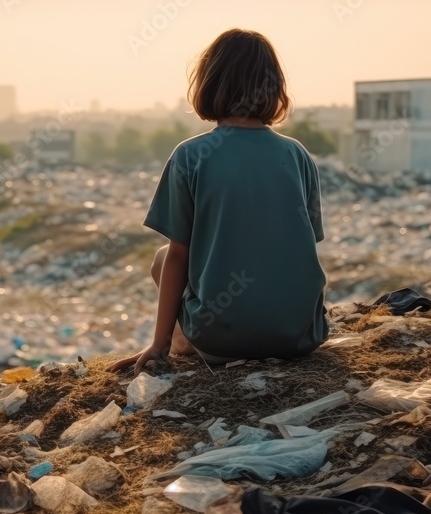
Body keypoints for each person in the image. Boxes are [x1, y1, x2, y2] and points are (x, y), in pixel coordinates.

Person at [108, 28, 328, 375]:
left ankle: (182, 341)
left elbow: (179, 255)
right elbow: (305, 246)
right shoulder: (298, 155)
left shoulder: (190, 156)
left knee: (163, 257)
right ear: (274, 87)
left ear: (209, 83)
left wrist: (158, 344)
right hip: (301, 336)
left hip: (221, 342)